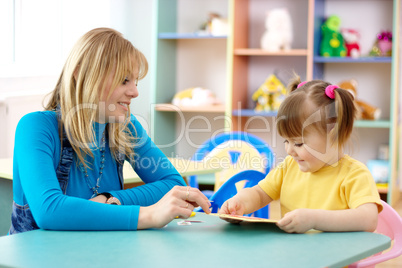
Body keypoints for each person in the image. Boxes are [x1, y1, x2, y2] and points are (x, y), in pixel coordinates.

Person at [9, 28, 210, 234]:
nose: (134, 92)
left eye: (135, 82)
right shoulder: (35, 127)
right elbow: (49, 210)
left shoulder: (126, 128)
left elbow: (173, 184)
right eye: (124, 80)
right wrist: (149, 215)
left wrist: (110, 199)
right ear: (81, 73)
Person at [219, 75, 382, 233]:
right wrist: (240, 203)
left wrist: (315, 220)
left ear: (334, 134)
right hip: (292, 258)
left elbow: (369, 219)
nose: (289, 150)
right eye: (286, 141)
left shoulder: (354, 175)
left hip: (332, 260)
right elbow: (260, 193)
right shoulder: (288, 168)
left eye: (298, 143)